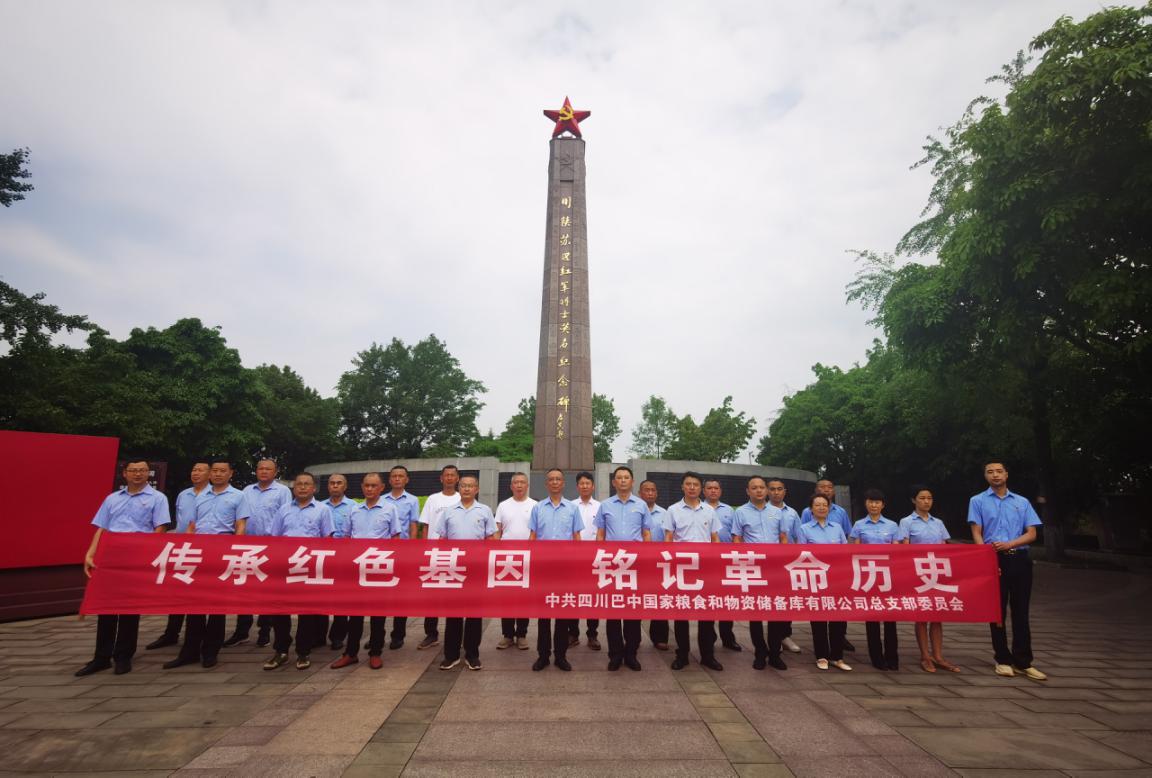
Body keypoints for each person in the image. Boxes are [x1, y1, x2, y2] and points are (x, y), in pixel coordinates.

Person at [75, 460, 170, 677]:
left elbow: (160, 529)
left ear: (148, 474)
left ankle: (123, 656)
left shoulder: (158, 498)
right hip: (110, 557)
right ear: (125, 474)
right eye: (133, 471)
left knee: (129, 607)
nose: (138, 474)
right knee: (106, 607)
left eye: (142, 471)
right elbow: (102, 528)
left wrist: (148, 556)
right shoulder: (112, 499)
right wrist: (90, 553)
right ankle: (101, 657)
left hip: (137, 556)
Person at [163, 459, 250, 670]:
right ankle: (190, 651)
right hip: (198, 552)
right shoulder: (200, 496)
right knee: (194, 603)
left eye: (223, 471)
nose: (218, 474)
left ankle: (211, 651)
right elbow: (191, 526)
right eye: (215, 471)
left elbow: (240, 526)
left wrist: (235, 551)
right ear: (210, 474)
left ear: (230, 474)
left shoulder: (239, 496)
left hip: (222, 551)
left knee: (217, 605)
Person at [968, 462, 1047, 681]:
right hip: (994, 559)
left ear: (1006, 474)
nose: (995, 475)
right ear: (985, 476)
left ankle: (1024, 661)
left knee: (1021, 611)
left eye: (999, 471)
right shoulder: (977, 501)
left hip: (1020, 559)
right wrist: (986, 559)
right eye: (990, 472)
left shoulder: (1021, 502)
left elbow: (1032, 533)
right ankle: (1002, 659)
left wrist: (1009, 544)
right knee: (997, 611)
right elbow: (977, 532)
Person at [263, 472, 335, 671]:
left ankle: (303, 651)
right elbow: (275, 538)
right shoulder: (283, 510)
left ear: (314, 488)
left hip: (309, 568)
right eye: (299, 484)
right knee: (280, 610)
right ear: (293, 488)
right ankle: (281, 650)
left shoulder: (323, 510)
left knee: (306, 612)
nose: (302, 487)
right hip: (285, 567)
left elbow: (328, 540)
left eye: (306, 484)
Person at [330, 472, 402, 670]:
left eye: (374, 486)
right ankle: (350, 653)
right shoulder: (354, 510)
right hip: (357, 569)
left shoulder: (390, 509)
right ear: (362, 487)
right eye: (367, 486)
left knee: (378, 614)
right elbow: (346, 537)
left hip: (379, 568)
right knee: (355, 614)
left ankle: (375, 653)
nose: (370, 489)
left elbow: (395, 538)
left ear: (381, 488)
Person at [226, 458, 291, 648]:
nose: (264, 471)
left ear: (275, 472)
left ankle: (265, 631)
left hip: (272, 546)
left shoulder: (283, 491)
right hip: (248, 546)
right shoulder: (247, 491)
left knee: (268, 590)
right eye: (260, 468)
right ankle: (242, 631)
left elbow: (287, 515)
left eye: (268, 469)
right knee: (244, 590)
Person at [145, 461, 209, 651]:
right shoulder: (183, 494)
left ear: (209, 475)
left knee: (198, 596)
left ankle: (197, 636)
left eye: (201, 470)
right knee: (178, 593)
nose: (196, 473)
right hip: (182, 549)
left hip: (204, 550)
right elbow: (179, 522)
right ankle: (171, 633)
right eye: (194, 469)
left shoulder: (214, 496)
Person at [434, 475, 496, 671]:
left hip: (476, 569)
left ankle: (472, 655)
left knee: (474, 614)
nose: (467, 489)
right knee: (453, 614)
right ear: (459, 488)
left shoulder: (484, 510)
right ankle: (451, 655)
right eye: (463, 486)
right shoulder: (449, 511)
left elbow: (491, 540)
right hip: (454, 568)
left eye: (471, 486)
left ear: (477, 489)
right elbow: (442, 540)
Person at [595, 465, 652, 671]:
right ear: (613, 482)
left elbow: (646, 534)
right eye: (619, 478)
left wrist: (647, 558)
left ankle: (631, 653)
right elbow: (600, 534)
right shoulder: (605, 505)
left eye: (626, 477)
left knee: (633, 611)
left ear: (632, 481)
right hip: (612, 564)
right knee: (613, 612)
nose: (623, 480)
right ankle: (615, 654)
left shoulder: (641, 505)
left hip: (634, 564)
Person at [664, 472, 722, 671]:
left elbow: (715, 538)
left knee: (707, 613)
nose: (691, 487)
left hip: (705, 568)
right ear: (682, 487)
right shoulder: (673, 510)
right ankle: (682, 655)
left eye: (695, 484)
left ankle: (708, 655)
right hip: (682, 569)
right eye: (688, 484)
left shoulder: (709, 511)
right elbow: (668, 539)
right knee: (681, 613)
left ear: (700, 488)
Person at [900, 485, 960, 674]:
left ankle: (938, 656)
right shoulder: (906, 522)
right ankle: (925, 656)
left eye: (929, 498)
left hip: (937, 572)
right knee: (921, 615)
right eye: (922, 498)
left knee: (937, 615)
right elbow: (904, 548)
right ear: (914, 500)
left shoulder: (938, 523)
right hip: (918, 572)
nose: (926, 501)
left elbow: (944, 545)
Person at [528, 468, 583, 671]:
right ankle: (543, 655)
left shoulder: (572, 509)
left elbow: (576, 537)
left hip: (565, 568)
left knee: (563, 613)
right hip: (543, 568)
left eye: (558, 479)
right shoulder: (537, 508)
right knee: (543, 615)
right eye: (551, 479)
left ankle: (561, 655)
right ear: (546, 484)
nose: (554, 482)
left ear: (563, 483)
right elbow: (533, 537)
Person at [732, 476, 788, 671]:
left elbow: (783, 537)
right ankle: (760, 652)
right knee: (755, 612)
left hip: (774, 568)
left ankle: (775, 653)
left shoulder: (777, 512)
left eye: (762, 487)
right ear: (748, 491)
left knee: (775, 611)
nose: (758, 490)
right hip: (753, 568)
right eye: (754, 488)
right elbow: (737, 539)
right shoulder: (740, 512)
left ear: (766, 490)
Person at [797, 493, 852, 671]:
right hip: (816, 578)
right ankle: (821, 655)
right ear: (811, 509)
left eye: (824, 505)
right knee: (818, 619)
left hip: (837, 578)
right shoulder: (804, 529)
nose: (821, 508)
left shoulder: (837, 527)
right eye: (817, 505)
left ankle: (837, 657)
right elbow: (802, 555)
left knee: (839, 618)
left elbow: (845, 552)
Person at [849, 488, 901, 671]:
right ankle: (876, 657)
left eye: (877, 502)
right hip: (868, 576)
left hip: (887, 576)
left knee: (890, 619)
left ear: (883, 505)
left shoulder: (892, 525)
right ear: (866, 504)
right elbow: (854, 551)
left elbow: (897, 551)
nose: (874, 505)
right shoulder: (858, 525)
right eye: (871, 502)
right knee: (872, 618)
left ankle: (892, 657)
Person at [416, 464, 462, 650]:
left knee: (456, 596)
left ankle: (455, 634)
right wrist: (424, 549)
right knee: (432, 596)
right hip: (434, 554)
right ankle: (431, 633)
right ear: (441, 478)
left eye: (452, 475)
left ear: (457, 478)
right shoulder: (433, 499)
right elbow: (425, 526)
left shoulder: (462, 497)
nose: (449, 478)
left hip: (456, 554)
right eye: (446, 475)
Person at [494, 472, 536, 650]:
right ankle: (507, 635)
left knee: (524, 598)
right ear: (511, 486)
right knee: (507, 598)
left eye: (522, 482)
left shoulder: (535, 505)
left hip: (527, 557)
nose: (519, 485)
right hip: (506, 558)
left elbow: (536, 532)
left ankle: (522, 634)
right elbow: (498, 530)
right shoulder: (503, 505)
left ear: (527, 485)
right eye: (516, 482)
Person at [382, 465, 421, 649]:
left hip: (402, 552)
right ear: (389, 480)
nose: (397, 478)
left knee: (400, 595)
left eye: (400, 476)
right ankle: (377, 635)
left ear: (407, 479)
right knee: (380, 596)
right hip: (382, 554)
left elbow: (413, 525)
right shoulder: (381, 500)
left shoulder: (412, 500)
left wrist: (411, 550)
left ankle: (398, 635)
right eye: (394, 476)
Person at [319, 473, 358, 651]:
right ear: (328, 486)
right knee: (321, 597)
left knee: (342, 597)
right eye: (332, 483)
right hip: (323, 557)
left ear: (345, 486)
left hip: (345, 557)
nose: (335, 486)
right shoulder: (320, 506)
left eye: (339, 483)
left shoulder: (354, 507)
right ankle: (319, 635)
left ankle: (338, 636)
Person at [704, 479, 742, 652]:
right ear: (704, 491)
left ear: (720, 491)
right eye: (709, 488)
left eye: (716, 488)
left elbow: (736, 535)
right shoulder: (700, 508)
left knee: (727, 600)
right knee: (709, 600)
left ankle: (728, 638)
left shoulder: (729, 511)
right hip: (706, 560)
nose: (713, 491)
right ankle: (709, 637)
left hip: (726, 560)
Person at [766, 478, 802, 654]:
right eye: (772, 489)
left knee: (785, 599)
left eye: (779, 489)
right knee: (769, 600)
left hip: (787, 562)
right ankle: (772, 638)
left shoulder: (792, 513)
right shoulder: (762, 511)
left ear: (784, 492)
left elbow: (798, 538)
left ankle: (785, 635)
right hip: (765, 563)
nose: (776, 492)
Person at [570, 471, 601, 650]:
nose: (584, 486)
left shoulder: (601, 506)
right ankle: (573, 633)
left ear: (593, 486)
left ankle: (592, 634)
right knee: (573, 595)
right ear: (577, 486)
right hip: (574, 557)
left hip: (595, 558)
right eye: (581, 483)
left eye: (588, 483)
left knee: (592, 597)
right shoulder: (570, 506)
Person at [640, 479, 670, 651]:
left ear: (656, 493)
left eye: (653, 490)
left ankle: (660, 637)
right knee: (636, 599)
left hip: (659, 562)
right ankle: (633, 638)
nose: (650, 493)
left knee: (660, 599)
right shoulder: (635, 511)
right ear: (640, 493)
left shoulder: (665, 513)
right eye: (646, 490)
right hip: (637, 561)